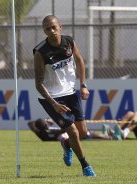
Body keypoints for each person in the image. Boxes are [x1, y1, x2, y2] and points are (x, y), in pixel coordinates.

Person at [33, 15, 96, 176]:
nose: (52, 31)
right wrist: (53, 103)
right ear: (44, 31)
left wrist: (83, 85)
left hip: (71, 93)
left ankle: (66, 144)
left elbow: (80, 61)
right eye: (48, 29)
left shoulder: (69, 42)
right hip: (52, 97)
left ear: (60, 27)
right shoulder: (40, 52)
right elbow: (38, 83)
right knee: (73, 131)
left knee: (82, 133)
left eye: (54, 27)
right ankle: (85, 166)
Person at [28, 118, 112, 141]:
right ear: (46, 125)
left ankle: (106, 133)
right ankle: (110, 137)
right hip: (68, 136)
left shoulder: (40, 134)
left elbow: (30, 123)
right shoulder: (51, 130)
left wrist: (45, 122)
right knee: (89, 133)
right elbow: (65, 129)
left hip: (64, 136)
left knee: (90, 135)